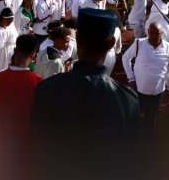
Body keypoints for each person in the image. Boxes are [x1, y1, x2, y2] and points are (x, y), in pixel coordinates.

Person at [31, 9, 141, 145]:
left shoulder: (47, 89)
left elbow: (36, 144)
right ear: (111, 43)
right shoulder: (127, 99)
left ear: (76, 39)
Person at [123, 21, 169, 136]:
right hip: (138, 91)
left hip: (157, 93)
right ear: (148, 32)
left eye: (157, 33)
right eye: (151, 33)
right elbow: (125, 58)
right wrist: (131, 78)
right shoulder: (139, 43)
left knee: (151, 118)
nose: (153, 36)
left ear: (162, 33)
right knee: (134, 116)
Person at [0, 34, 43, 143]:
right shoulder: (39, 82)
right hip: (29, 144)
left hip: (3, 141)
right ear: (35, 56)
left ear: (15, 50)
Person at [0, 6, 20, 73]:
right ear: (4, 19)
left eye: (11, 21)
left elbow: (15, 37)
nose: (10, 23)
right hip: (0, 55)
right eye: (9, 21)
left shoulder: (11, 25)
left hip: (10, 52)